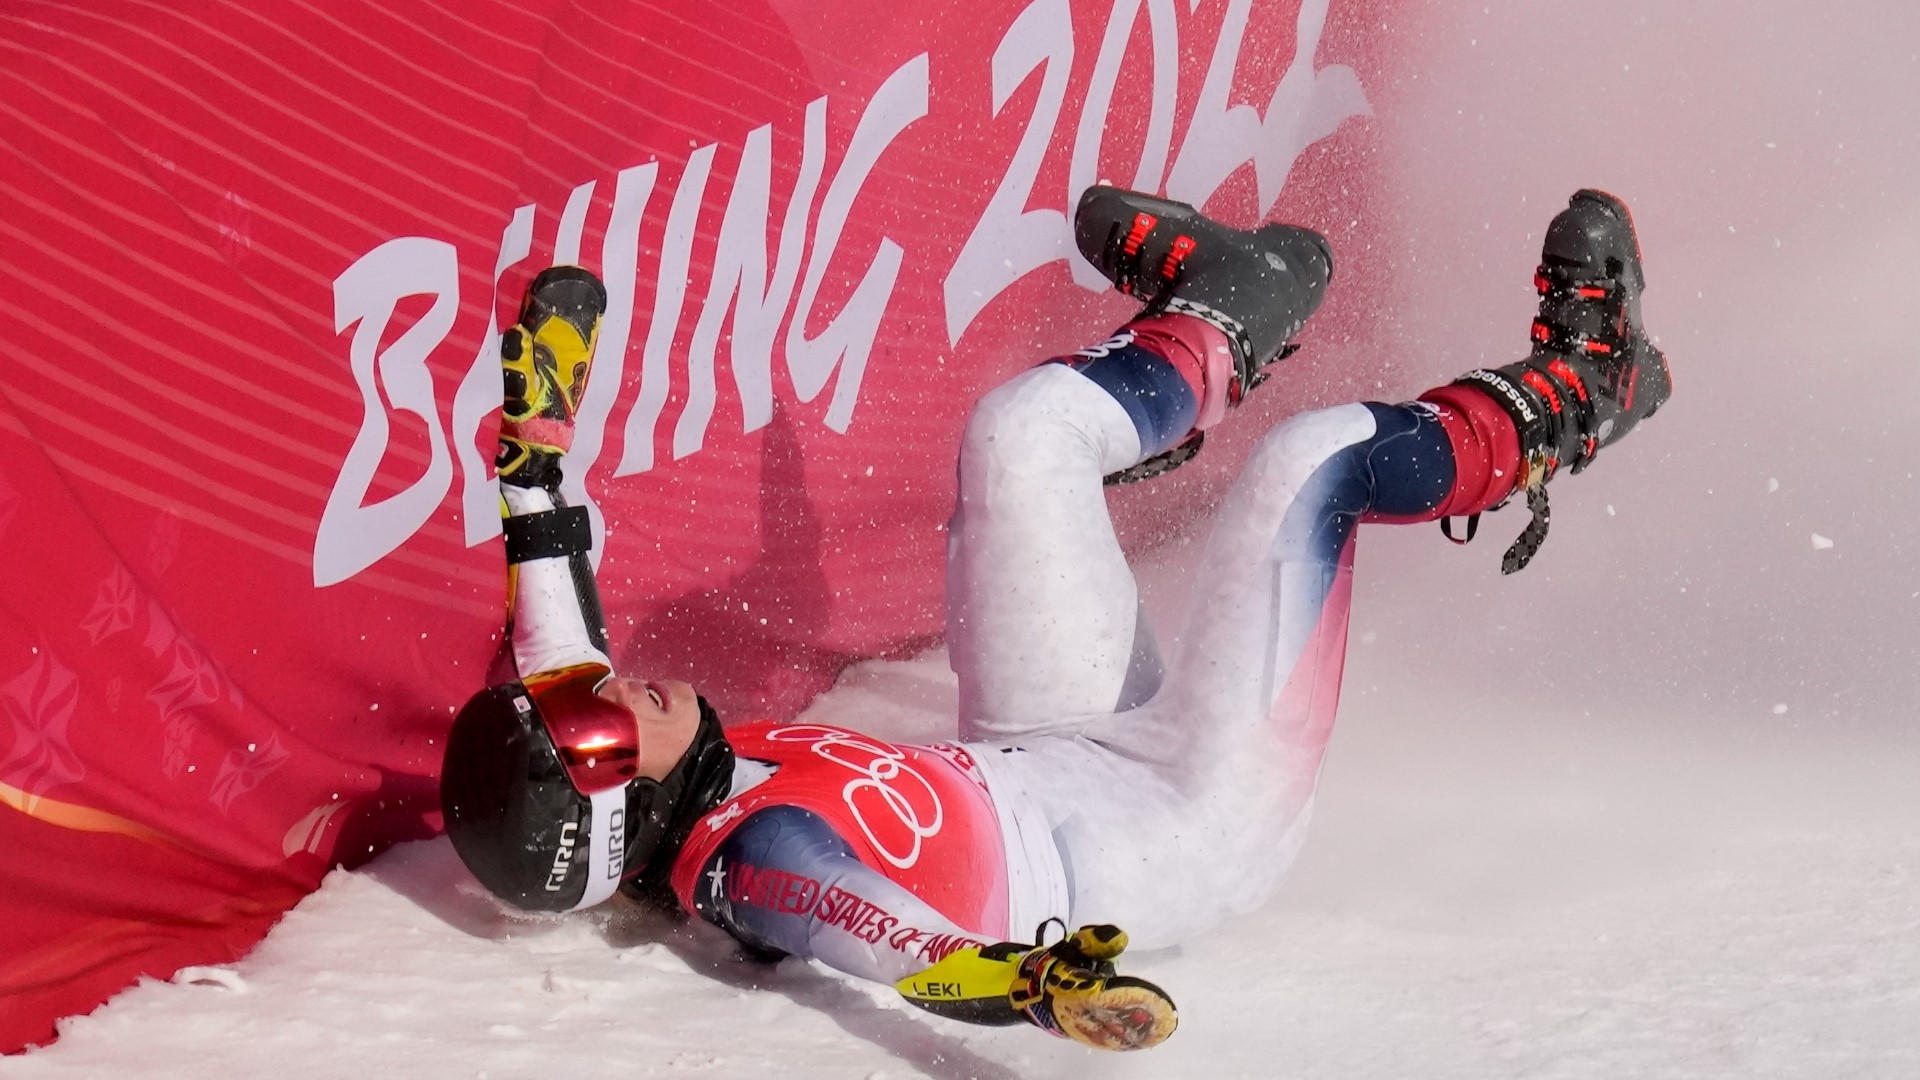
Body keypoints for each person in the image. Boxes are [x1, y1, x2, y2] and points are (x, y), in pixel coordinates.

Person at [440, 186, 1672, 1052]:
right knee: (1318, 462)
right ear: (624, 819)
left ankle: (1219, 318)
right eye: (596, 735)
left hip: (1046, 742)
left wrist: (534, 435)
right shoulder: (758, 862)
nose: (609, 694)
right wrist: (1032, 987)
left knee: (1023, 435)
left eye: (577, 693)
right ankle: (1580, 390)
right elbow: (890, 943)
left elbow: (552, 603)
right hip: (1189, 815)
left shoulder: (630, 750)